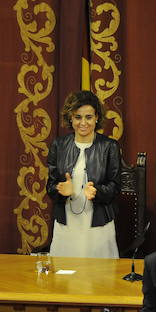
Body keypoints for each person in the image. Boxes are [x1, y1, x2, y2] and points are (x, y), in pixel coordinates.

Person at [46, 90, 121, 258]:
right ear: (70, 118)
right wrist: (60, 189)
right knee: (64, 279)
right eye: (78, 117)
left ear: (96, 118)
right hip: (67, 224)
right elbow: (49, 187)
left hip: (98, 225)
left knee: (99, 280)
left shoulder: (109, 146)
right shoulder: (59, 145)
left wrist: (98, 192)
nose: (83, 123)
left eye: (88, 117)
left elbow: (115, 187)